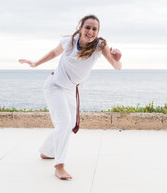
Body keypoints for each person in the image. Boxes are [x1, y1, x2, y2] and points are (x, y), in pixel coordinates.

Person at [19, 14, 122, 180]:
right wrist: (35, 63)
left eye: (94, 29)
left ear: (98, 31)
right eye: (87, 27)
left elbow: (117, 67)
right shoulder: (69, 42)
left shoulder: (100, 45)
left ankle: (46, 151)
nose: (90, 31)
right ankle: (59, 166)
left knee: (70, 123)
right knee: (64, 123)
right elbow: (53, 53)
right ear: (80, 28)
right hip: (54, 86)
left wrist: (118, 59)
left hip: (70, 90)